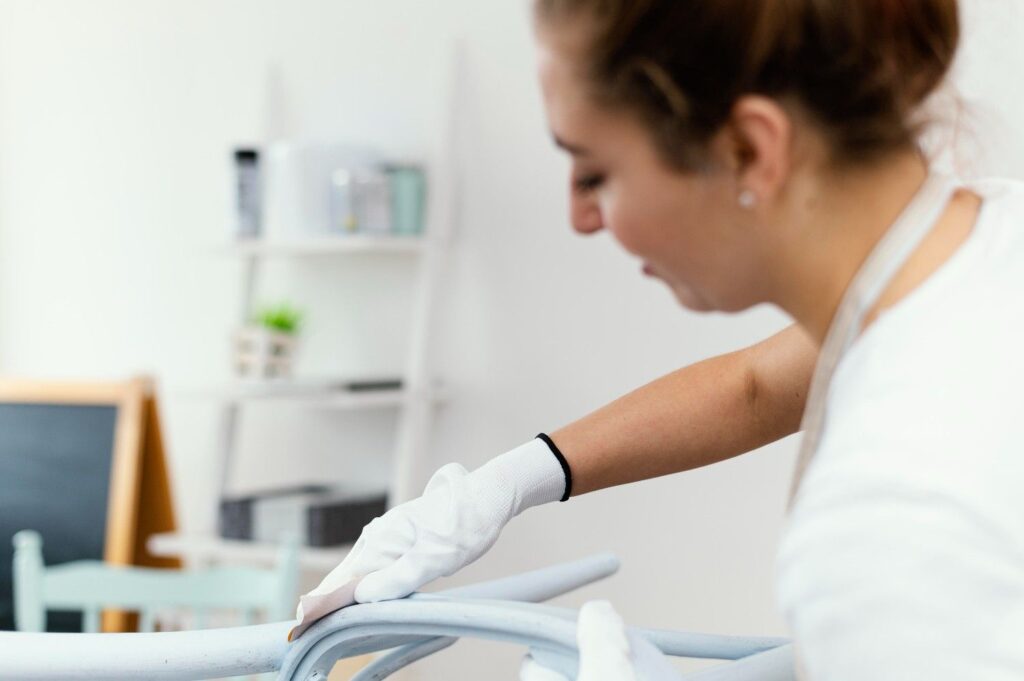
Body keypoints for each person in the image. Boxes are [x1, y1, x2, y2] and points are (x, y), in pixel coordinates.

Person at [303, 1, 1024, 678]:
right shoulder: (979, 246)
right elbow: (760, 386)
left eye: (595, 173)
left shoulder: (894, 509)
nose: (582, 218)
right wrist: (504, 484)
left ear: (749, 148)